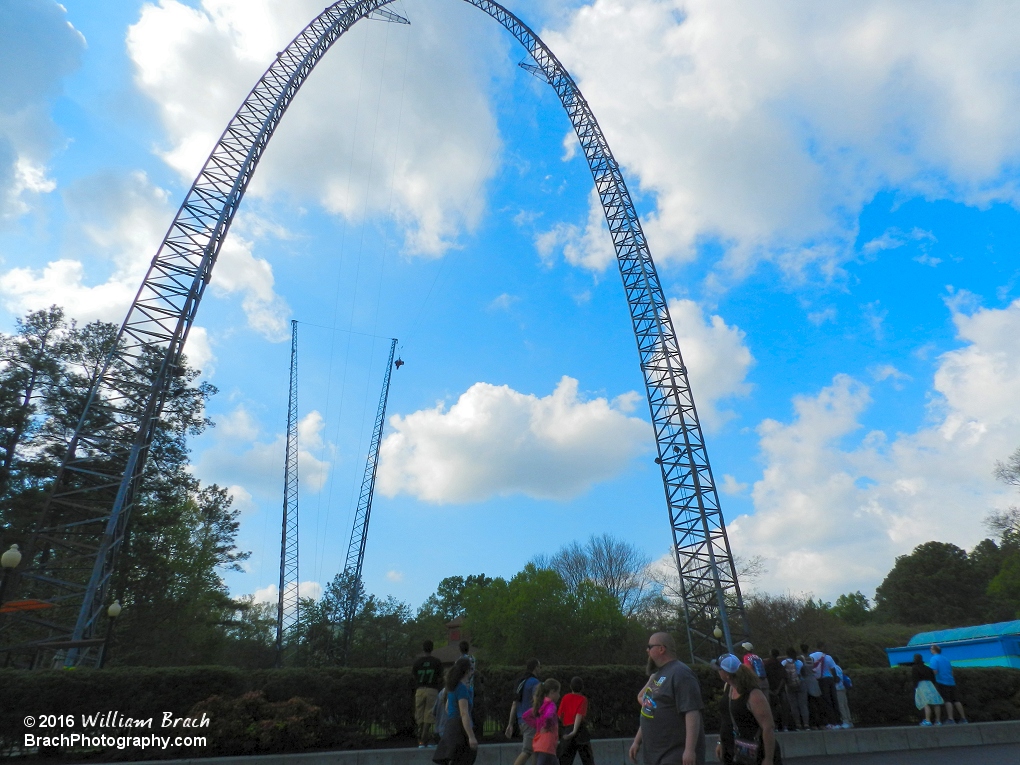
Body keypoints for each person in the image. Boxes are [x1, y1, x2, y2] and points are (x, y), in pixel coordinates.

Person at [629, 632, 705, 765]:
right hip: (656, 754)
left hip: (674, 754)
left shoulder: (681, 673)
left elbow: (692, 712)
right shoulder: (658, 674)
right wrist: (636, 741)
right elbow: (649, 710)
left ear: (661, 649)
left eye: (650, 646)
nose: (647, 650)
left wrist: (689, 750)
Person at [713, 654, 781, 765]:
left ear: (727, 674)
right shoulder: (729, 687)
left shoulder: (753, 694)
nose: (718, 672)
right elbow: (726, 718)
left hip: (754, 751)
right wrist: (721, 742)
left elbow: (768, 727)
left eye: (719, 669)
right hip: (732, 750)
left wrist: (768, 759)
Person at [434, 658, 477, 765]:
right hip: (460, 728)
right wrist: (471, 736)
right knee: (467, 757)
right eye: (471, 669)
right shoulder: (462, 688)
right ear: (466, 671)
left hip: (451, 725)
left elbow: (448, 707)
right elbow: (464, 713)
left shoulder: (452, 686)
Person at [507, 658, 542, 765]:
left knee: (536, 750)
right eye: (539, 667)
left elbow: (514, 704)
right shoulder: (535, 682)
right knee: (527, 750)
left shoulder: (521, 682)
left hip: (520, 719)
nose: (540, 669)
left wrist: (510, 724)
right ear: (536, 667)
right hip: (531, 721)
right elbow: (537, 701)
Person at [413, 640, 445, 747]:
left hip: (420, 689)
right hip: (432, 689)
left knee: (420, 715)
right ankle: (424, 738)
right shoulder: (436, 662)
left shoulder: (417, 662)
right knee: (429, 715)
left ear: (423, 648)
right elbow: (441, 677)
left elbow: (414, 676)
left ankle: (420, 739)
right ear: (432, 648)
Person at [523, 678, 562, 765]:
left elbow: (526, 716)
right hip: (547, 746)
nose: (559, 695)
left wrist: (538, 725)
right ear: (552, 692)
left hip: (538, 744)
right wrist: (546, 725)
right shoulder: (551, 705)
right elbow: (549, 716)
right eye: (558, 692)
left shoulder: (540, 705)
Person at [559, 677, 595, 765]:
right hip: (580, 730)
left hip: (567, 729)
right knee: (587, 758)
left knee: (565, 758)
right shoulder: (583, 699)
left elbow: (560, 715)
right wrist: (574, 730)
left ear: (571, 687)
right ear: (582, 687)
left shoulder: (565, 697)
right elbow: (579, 715)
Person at [929, 645, 968, 724]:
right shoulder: (946, 659)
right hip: (951, 681)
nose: (930, 650)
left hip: (941, 681)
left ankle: (950, 719)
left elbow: (935, 671)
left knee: (947, 700)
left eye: (931, 648)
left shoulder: (934, 659)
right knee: (956, 700)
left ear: (934, 650)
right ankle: (963, 718)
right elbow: (951, 671)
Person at [807, 643, 839, 728]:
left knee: (824, 701)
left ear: (816, 647)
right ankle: (837, 721)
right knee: (833, 700)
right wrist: (835, 678)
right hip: (830, 679)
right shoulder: (828, 657)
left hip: (820, 680)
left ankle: (828, 722)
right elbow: (833, 669)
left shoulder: (812, 656)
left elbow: (809, 668)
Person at [911, 653, 943, 726]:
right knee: (936, 702)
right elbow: (933, 679)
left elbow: (914, 679)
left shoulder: (915, 668)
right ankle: (938, 721)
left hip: (921, 685)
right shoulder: (928, 668)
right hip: (930, 685)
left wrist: (915, 687)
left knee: (925, 703)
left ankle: (928, 720)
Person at [763, 649, 789, 732]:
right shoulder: (780, 664)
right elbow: (784, 677)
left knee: (772, 708)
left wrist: (770, 690)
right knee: (784, 707)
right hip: (780, 690)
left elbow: (764, 677)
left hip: (770, 689)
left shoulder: (766, 664)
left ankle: (775, 726)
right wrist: (778, 689)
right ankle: (785, 726)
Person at [781, 647, 806, 731]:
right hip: (801, 682)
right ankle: (806, 724)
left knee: (793, 705)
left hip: (789, 685)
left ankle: (798, 724)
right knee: (803, 705)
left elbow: (782, 674)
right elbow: (804, 673)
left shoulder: (784, 662)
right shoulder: (799, 662)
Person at [798, 644, 823, 729]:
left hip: (806, 681)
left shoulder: (801, 658)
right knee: (816, 703)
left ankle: (812, 723)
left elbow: (801, 671)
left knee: (809, 703)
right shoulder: (811, 658)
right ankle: (819, 723)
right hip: (813, 680)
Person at [831, 655, 852, 729]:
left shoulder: (834, 668)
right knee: (845, 705)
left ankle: (845, 721)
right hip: (842, 688)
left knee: (841, 706)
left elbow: (837, 679)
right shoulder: (838, 667)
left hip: (837, 688)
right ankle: (849, 721)